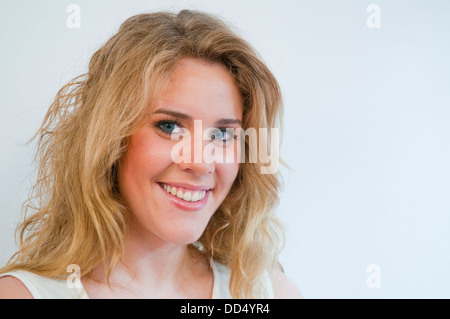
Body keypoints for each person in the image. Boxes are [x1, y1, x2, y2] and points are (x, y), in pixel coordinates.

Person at [0, 9, 302, 299]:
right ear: (110, 140)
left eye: (222, 134)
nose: (200, 162)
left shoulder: (267, 293)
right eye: (170, 126)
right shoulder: (21, 295)